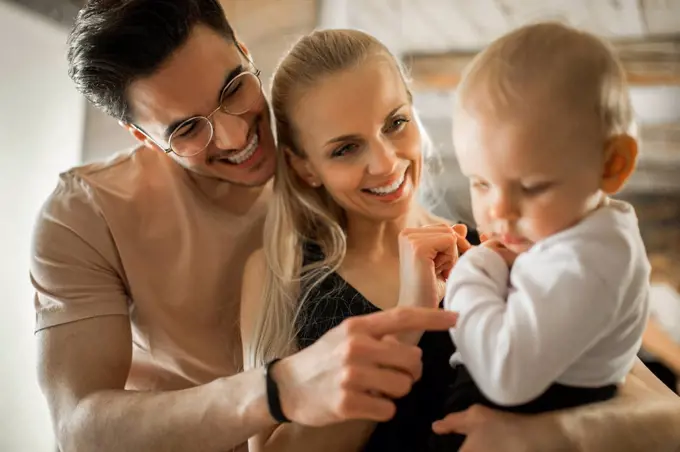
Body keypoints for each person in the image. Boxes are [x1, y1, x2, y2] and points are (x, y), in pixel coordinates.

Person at [29, 1, 680, 451]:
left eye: (234, 89)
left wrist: (545, 438)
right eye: (189, 128)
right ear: (306, 168)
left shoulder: (489, 249)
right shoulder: (274, 267)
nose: (234, 135)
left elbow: (647, 399)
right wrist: (395, 338)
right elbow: (83, 427)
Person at [240, 28, 472, 452]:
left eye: (396, 123)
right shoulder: (279, 275)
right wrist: (409, 319)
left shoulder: (488, 248)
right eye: (345, 149)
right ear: (305, 167)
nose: (385, 163)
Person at [430, 22, 650, 450]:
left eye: (531, 187)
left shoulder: (590, 260)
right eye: (480, 183)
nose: (498, 211)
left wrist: (474, 269)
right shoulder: (578, 236)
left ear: (612, 165)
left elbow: (503, 371)